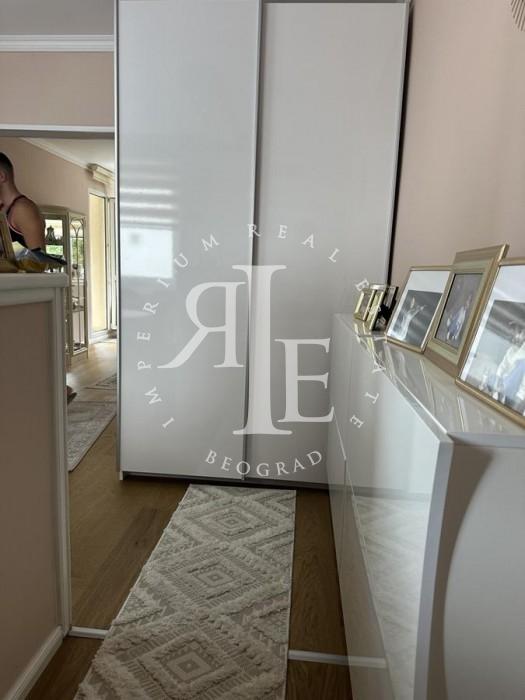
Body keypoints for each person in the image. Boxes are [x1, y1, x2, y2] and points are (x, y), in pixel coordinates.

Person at [0, 152, 76, 403]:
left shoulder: (23, 209)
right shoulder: (3, 211)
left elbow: (37, 263)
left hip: (26, 296)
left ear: (1, 176)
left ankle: (55, 395)